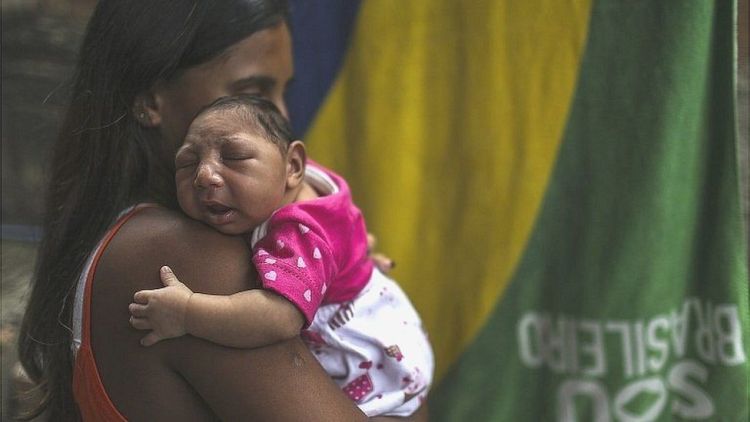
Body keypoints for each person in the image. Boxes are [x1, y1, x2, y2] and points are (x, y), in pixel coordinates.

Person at [16, 1, 423, 420]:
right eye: (252, 91)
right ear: (151, 98)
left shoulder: (133, 233)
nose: (281, 117)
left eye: (284, 92)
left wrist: (334, 268)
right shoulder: (181, 255)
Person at [128, 95, 434, 417]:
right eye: (187, 163)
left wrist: (188, 312)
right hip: (392, 331)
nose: (204, 176)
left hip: (373, 367)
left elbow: (280, 317)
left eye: (234, 156)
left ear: (293, 166)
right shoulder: (303, 181)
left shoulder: (298, 231)